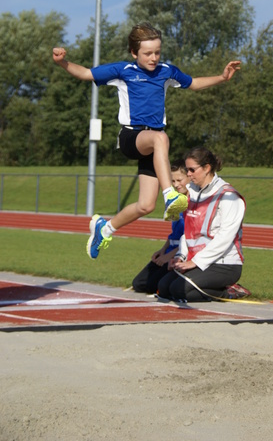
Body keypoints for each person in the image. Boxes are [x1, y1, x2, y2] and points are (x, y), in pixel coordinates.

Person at [52, 22, 240, 260]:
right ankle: (170, 194)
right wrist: (62, 63)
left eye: (157, 52)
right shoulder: (124, 70)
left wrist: (222, 78)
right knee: (161, 138)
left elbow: (193, 83)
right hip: (132, 136)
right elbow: (87, 73)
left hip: (153, 145)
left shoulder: (166, 72)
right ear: (134, 53)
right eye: (147, 53)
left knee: (145, 205)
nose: (153, 58)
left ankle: (105, 229)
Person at [157, 147, 247, 302]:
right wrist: (180, 256)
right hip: (198, 260)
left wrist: (196, 262)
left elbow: (225, 238)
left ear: (207, 168)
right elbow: (189, 233)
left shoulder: (229, 196)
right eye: (187, 170)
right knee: (164, 287)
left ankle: (230, 292)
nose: (188, 174)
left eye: (192, 170)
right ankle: (214, 287)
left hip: (224, 264)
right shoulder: (191, 193)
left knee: (180, 290)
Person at [132, 160, 189, 294]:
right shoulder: (174, 201)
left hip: (180, 254)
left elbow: (189, 238)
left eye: (179, 180)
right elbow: (174, 233)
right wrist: (162, 250)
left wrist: (169, 256)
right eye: (172, 181)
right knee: (138, 284)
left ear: (189, 177)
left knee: (153, 285)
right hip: (169, 251)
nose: (176, 185)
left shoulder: (193, 204)